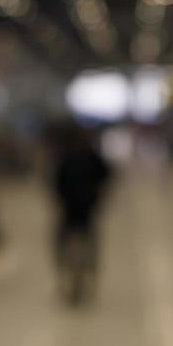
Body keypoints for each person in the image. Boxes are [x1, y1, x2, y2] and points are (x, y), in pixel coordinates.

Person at [50, 123, 112, 304]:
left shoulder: (69, 156)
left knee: (69, 242)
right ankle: (78, 275)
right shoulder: (88, 156)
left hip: (77, 209)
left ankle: (78, 274)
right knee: (81, 242)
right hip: (80, 208)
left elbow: (55, 182)